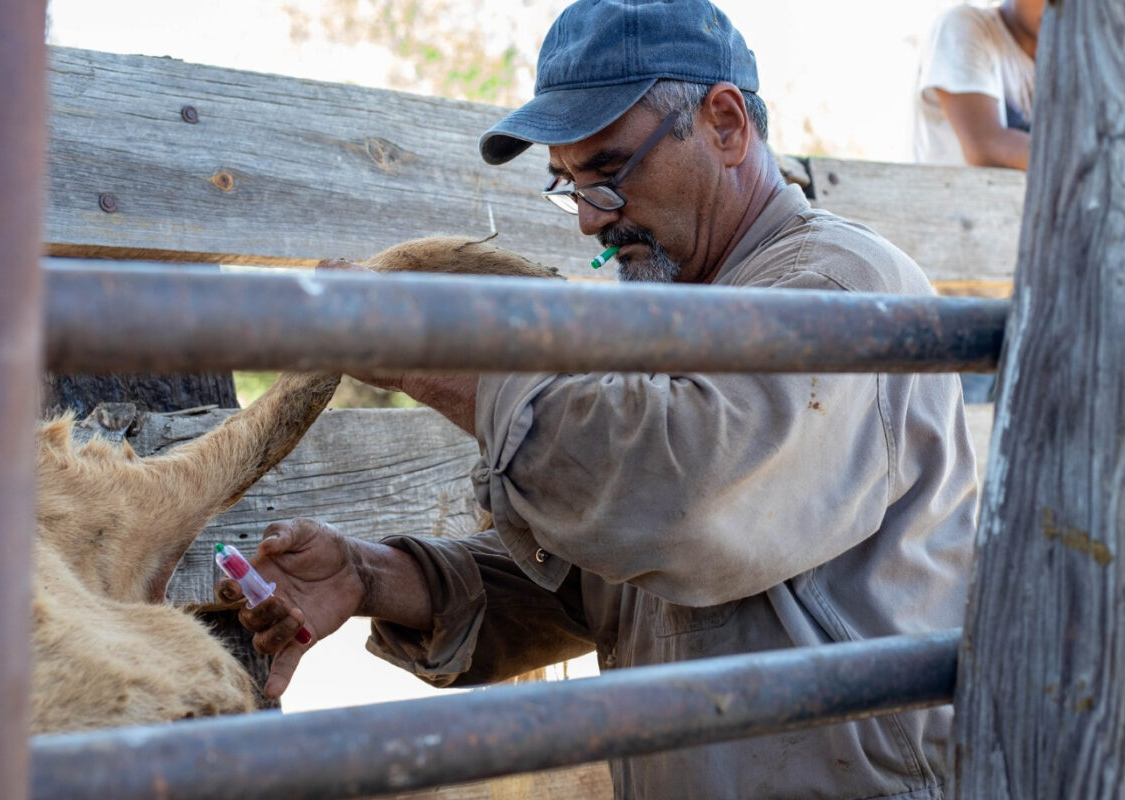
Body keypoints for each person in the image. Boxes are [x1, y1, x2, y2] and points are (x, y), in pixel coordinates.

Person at [222, 1, 977, 797]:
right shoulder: (679, 316)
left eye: (609, 175)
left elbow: (679, 506)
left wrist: (423, 359)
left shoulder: (837, 287)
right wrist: (371, 576)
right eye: (568, 184)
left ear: (725, 125)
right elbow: (606, 586)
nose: (589, 221)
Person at [913, 0, 1044, 169]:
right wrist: (1083, 161)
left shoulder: (1067, 66)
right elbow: (985, 146)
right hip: (948, 192)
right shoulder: (964, 25)